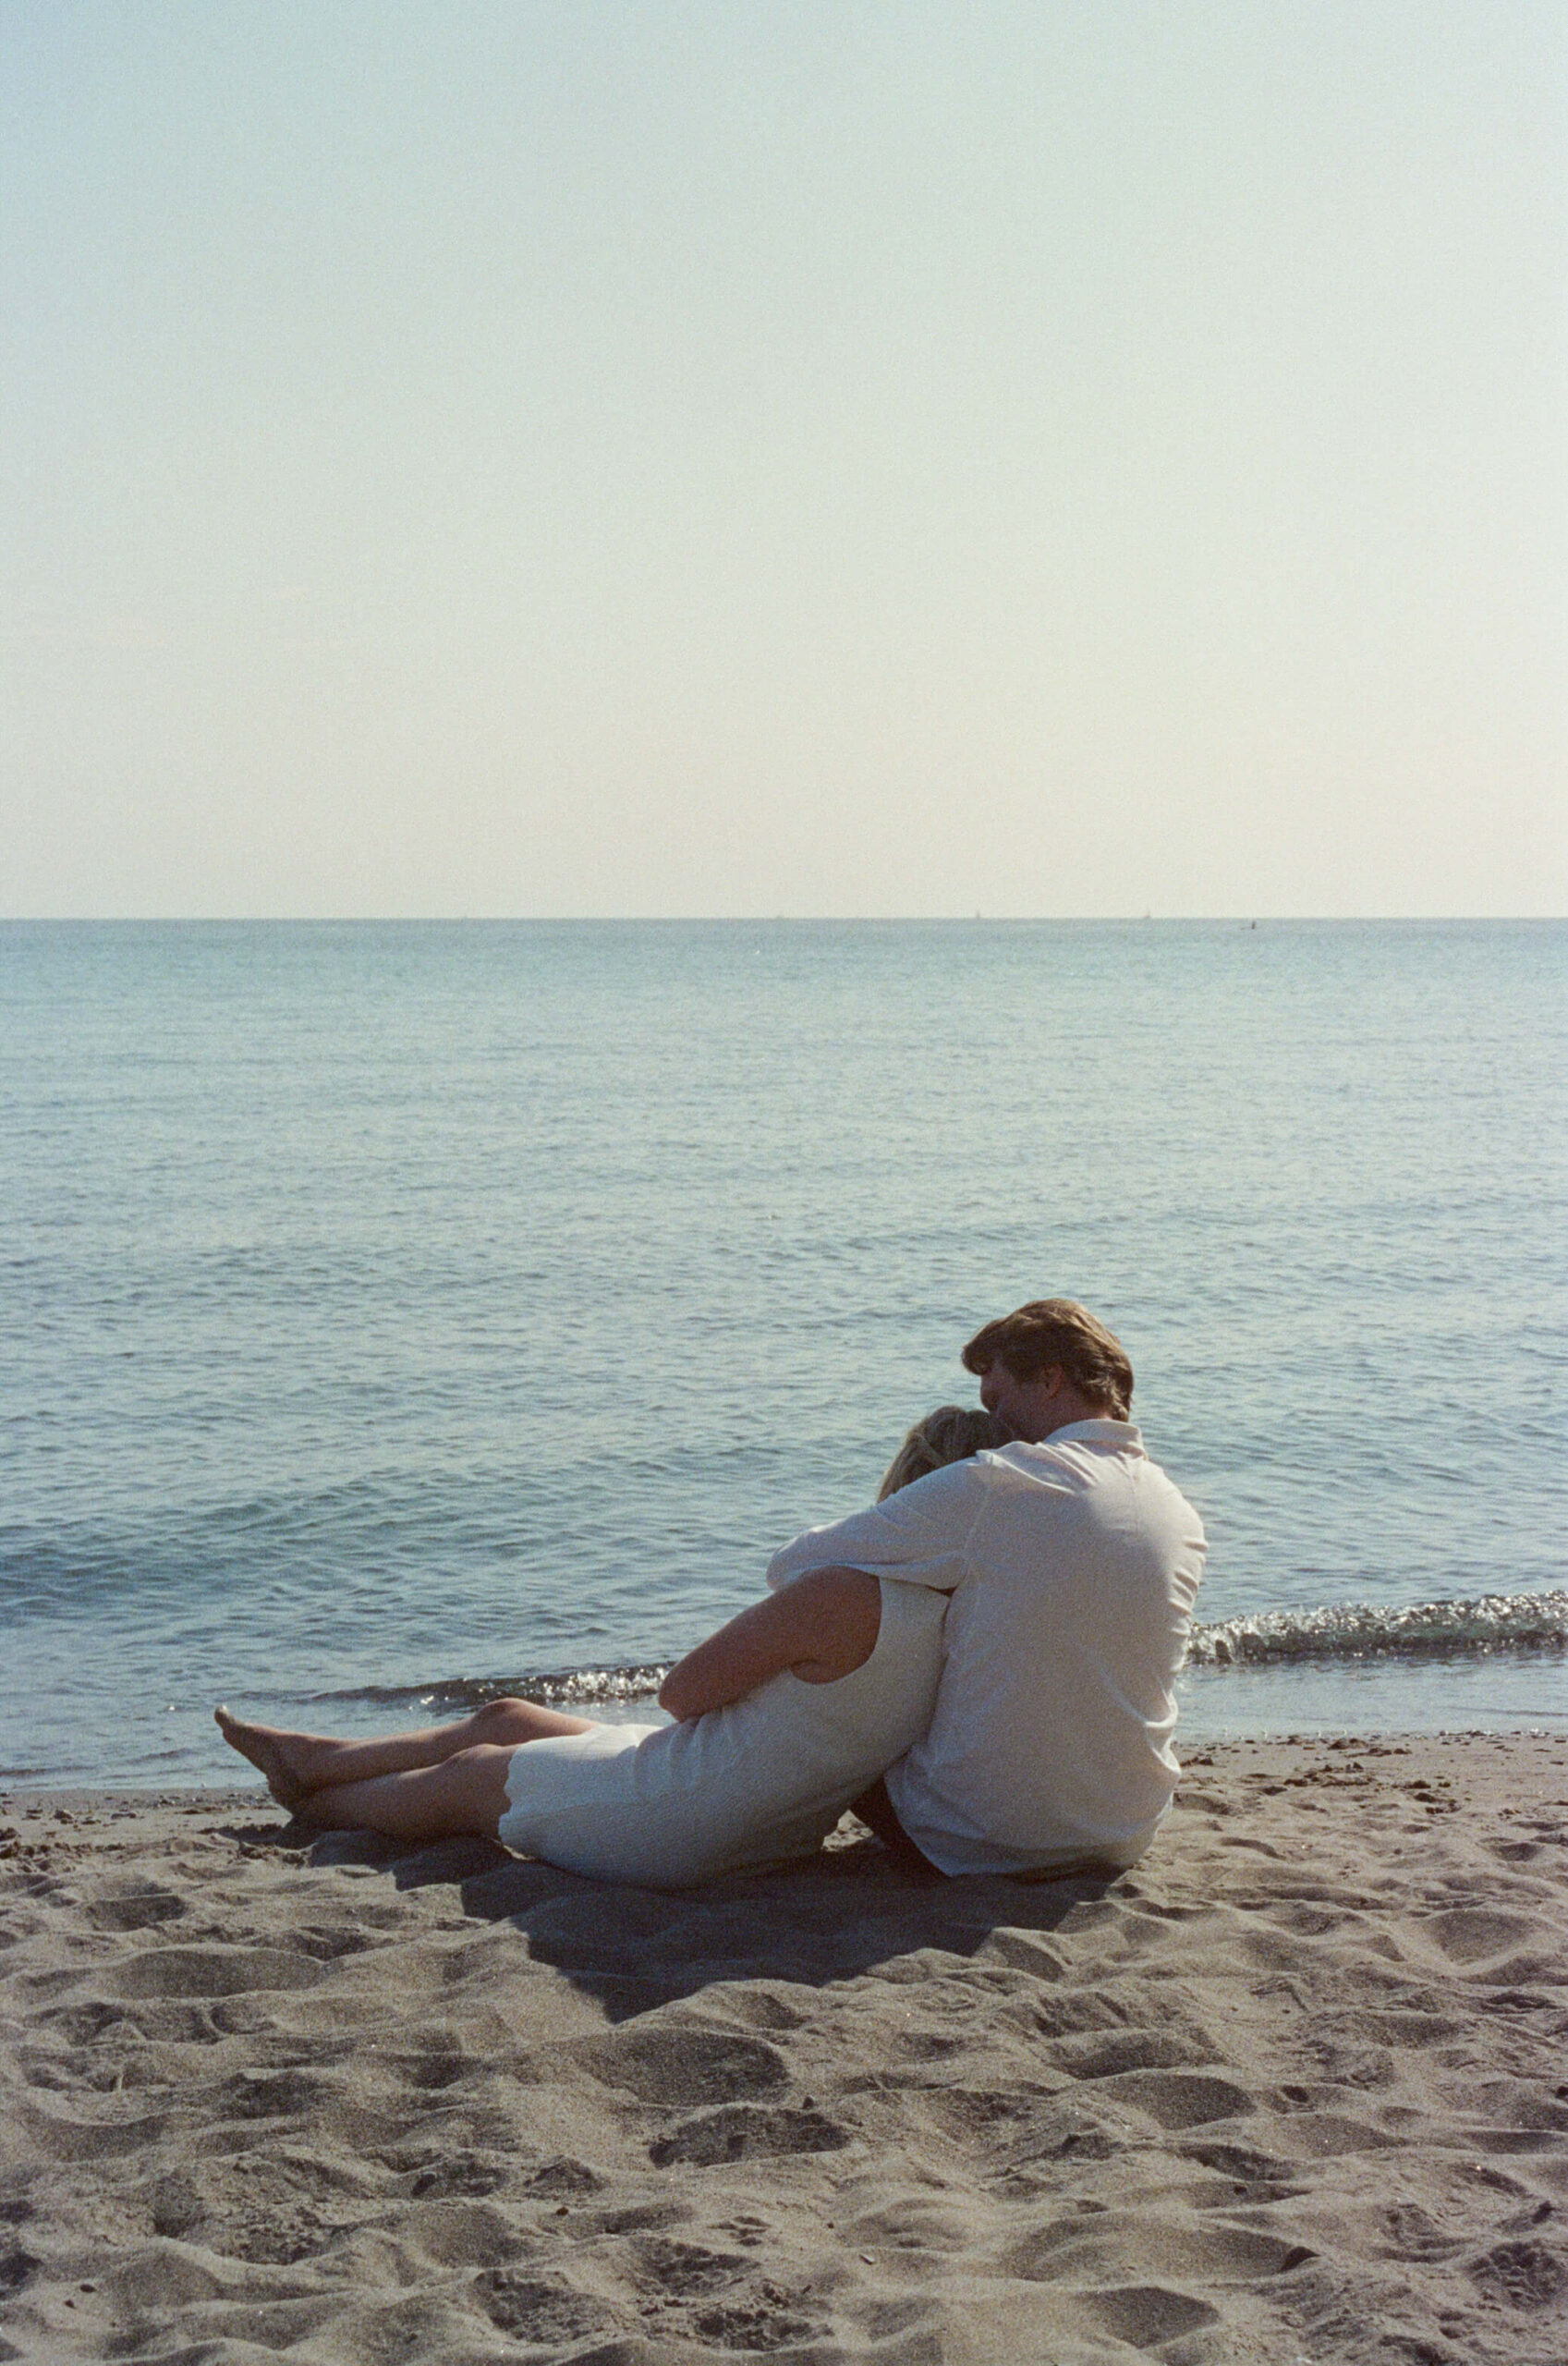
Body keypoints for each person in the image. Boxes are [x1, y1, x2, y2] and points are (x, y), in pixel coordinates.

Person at [214, 1407, 1010, 1888]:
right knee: (508, 1716)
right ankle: (313, 1756)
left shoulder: (841, 1591)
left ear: (906, 1488)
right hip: (765, 1826)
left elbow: (682, 1696)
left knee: (470, 1778)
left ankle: (315, 1804)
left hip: (683, 1822)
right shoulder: (974, 1619)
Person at [776, 1299, 1207, 1879]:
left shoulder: (1001, 1483)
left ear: (1050, 1379)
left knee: (839, 1687)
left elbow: (794, 1566)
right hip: (1124, 1832)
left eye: (998, 1404)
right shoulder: (1178, 1513)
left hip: (978, 1840)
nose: (995, 1429)